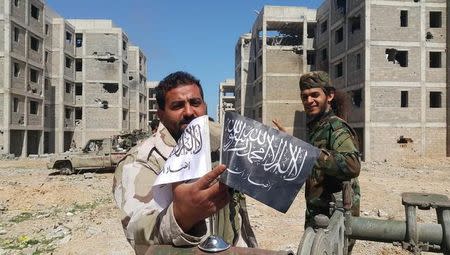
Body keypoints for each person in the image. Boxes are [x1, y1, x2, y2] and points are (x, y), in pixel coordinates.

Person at [113, 71, 257, 254]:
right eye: (177, 106)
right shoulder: (142, 160)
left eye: (195, 103)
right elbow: (137, 233)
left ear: (205, 106)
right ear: (161, 114)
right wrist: (180, 216)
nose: (189, 112)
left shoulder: (223, 143)